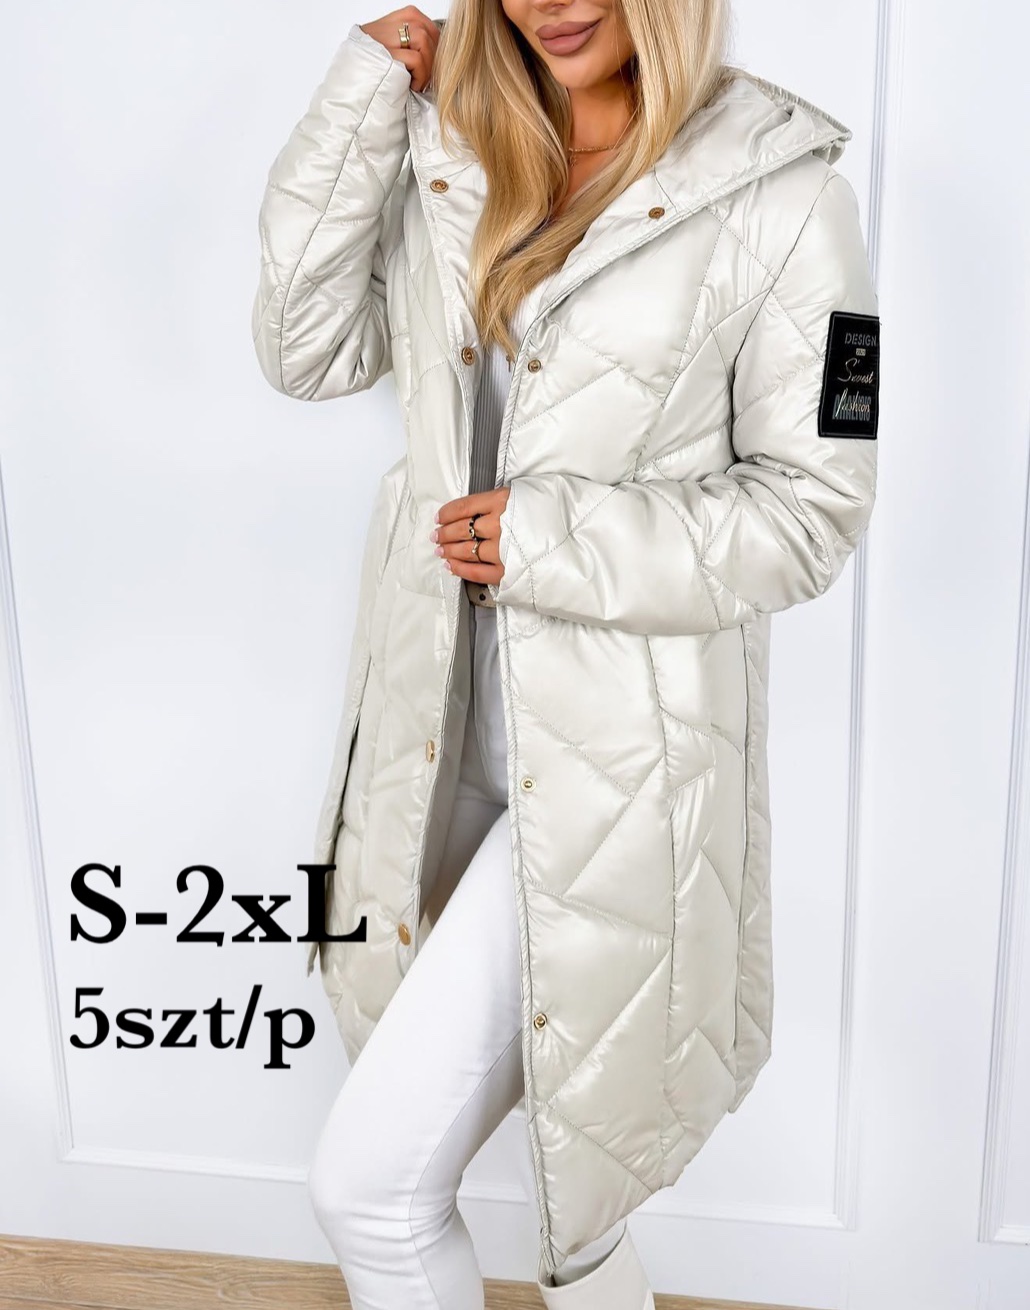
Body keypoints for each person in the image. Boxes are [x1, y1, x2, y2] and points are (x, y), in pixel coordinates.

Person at [250, 3, 879, 1307]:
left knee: (378, 1191)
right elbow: (304, 350)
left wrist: (548, 536)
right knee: (573, 1208)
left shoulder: (787, 190)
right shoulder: (453, 147)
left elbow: (812, 513)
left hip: (618, 769)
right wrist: (362, 98)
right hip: (432, 734)